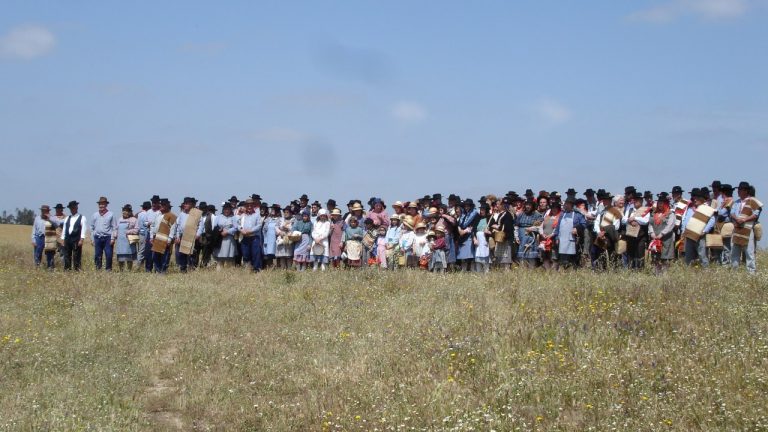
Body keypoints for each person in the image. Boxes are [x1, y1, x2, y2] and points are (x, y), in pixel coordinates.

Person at [730, 181, 762, 274]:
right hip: (737, 228)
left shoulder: (752, 201)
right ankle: (734, 272)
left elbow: (756, 214)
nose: (738, 191)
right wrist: (737, 218)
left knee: (749, 252)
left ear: (745, 191)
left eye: (740, 190)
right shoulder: (736, 202)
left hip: (747, 228)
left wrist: (744, 220)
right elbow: (732, 213)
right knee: (735, 252)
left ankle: (751, 272)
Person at [681, 190, 715, 267]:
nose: (695, 200)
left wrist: (704, 231)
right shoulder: (690, 209)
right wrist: (683, 230)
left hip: (700, 235)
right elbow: (685, 220)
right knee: (688, 255)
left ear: (702, 199)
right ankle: (688, 271)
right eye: (694, 198)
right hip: (689, 235)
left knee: (702, 254)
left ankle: (705, 270)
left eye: (697, 198)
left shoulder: (707, 209)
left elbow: (712, 221)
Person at [554, 198, 587, 270]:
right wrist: (556, 237)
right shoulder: (562, 214)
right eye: (565, 203)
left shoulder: (578, 215)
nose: (565, 205)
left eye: (567, 204)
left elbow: (584, 224)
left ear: (571, 205)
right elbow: (558, 227)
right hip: (562, 240)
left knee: (573, 259)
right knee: (562, 259)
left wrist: (577, 229)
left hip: (573, 240)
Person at [648, 193, 676, 275]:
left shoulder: (670, 214)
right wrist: (652, 233)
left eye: (661, 203)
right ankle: (656, 274)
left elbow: (670, 226)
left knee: (665, 257)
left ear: (666, 204)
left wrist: (662, 234)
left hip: (666, 239)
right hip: (655, 238)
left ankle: (665, 275)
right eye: (659, 203)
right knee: (656, 257)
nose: (659, 205)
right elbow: (650, 224)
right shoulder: (654, 213)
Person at [174, 197, 203, 273]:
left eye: (187, 203)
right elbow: (177, 226)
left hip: (192, 236)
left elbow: (201, 225)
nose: (185, 205)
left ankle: (192, 268)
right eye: (185, 203)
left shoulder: (197, 214)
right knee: (181, 254)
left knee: (192, 253)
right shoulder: (181, 214)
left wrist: (198, 234)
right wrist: (177, 236)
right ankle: (183, 269)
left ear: (191, 205)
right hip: (182, 236)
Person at [622, 192, 650, 270]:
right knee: (631, 254)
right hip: (630, 235)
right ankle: (632, 269)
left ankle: (640, 270)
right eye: (635, 200)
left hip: (641, 236)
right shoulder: (630, 210)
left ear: (641, 201)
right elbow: (623, 220)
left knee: (640, 253)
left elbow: (645, 221)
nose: (636, 201)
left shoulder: (646, 210)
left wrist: (635, 218)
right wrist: (629, 220)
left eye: (638, 200)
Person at [150, 198, 177, 273]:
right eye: (161, 205)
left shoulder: (172, 216)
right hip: (156, 238)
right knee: (155, 256)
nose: (161, 206)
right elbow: (152, 226)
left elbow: (173, 228)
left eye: (163, 205)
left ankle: (163, 271)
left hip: (166, 238)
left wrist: (170, 239)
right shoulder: (157, 214)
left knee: (165, 256)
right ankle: (158, 270)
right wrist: (151, 237)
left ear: (167, 206)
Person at [90, 196, 117, 271]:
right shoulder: (95, 215)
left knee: (109, 254)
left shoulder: (111, 214)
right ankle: (98, 269)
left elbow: (114, 227)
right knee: (97, 255)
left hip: (107, 237)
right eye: (100, 204)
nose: (101, 205)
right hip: (97, 237)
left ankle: (108, 269)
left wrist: (113, 238)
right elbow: (92, 227)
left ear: (106, 205)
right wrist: (92, 239)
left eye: (103, 204)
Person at [31, 204, 62, 269]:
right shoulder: (37, 218)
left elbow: (58, 224)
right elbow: (34, 229)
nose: (44, 212)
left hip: (49, 238)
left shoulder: (53, 218)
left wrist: (49, 218)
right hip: (39, 237)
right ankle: (37, 267)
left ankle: (50, 267)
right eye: (43, 211)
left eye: (46, 211)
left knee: (50, 254)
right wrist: (33, 240)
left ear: (48, 211)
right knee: (38, 253)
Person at [515, 199, 543, 268]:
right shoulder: (521, 214)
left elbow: (540, 227)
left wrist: (532, 229)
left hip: (532, 237)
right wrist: (516, 237)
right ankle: (522, 269)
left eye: (529, 205)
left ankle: (531, 269)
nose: (528, 206)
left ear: (532, 206)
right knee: (522, 255)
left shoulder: (537, 215)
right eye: (526, 205)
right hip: (521, 237)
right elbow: (516, 226)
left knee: (531, 256)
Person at [488, 198, 515, 269]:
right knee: (500, 259)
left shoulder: (508, 214)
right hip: (500, 239)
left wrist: (497, 227)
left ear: (502, 205)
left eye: (498, 204)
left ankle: (507, 274)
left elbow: (506, 227)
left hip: (505, 239)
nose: (496, 206)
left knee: (506, 259)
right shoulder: (501, 214)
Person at [238, 199, 264, 272]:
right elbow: (237, 224)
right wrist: (241, 229)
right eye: (248, 205)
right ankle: (248, 268)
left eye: (251, 205)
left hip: (254, 237)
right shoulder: (242, 215)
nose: (249, 207)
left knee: (256, 254)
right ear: (245, 206)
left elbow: (259, 225)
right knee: (245, 253)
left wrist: (250, 231)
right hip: (245, 237)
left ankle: (257, 269)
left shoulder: (257, 215)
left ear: (253, 206)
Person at [61, 201, 87, 271]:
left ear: (76, 207)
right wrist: (62, 239)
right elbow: (64, 229)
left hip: (76, 239)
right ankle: (67, 269)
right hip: (67, 239)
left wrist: (81, 239)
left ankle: (77, 270)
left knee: (76, 255)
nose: (72, 209)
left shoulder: (82, 217)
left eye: (73, 208)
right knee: (66, 255)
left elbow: (83, 229)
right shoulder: (67, 218)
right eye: (71, 208)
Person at [456, 199, 479, 271]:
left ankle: (472, 270)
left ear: (471, 206)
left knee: (470, 255)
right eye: (465, 206)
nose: (466, 207)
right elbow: (459, 224)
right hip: (462, 237)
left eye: (468, 206)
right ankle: (464, 270)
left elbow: (474, 226)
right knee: (463, 255)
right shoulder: (464, 215)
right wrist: (460, 230)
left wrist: (465, 231)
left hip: (470, 236)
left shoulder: (475, 214)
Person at [214, 202, 238, 268]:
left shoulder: (233, 218)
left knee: (230, 256)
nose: (227, 211)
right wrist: (220, 231)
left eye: (228, 209)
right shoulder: (218, 217)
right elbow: (215, 227)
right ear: (223, 209)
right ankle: (219, 270)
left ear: (230, 210)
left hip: (229, 239)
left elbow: (236, 228)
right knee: (220, 257)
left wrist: (227, 231)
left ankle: (230, 271)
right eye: (225, 209)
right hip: (220, 239)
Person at [115, 204, 139, 271]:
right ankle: (121, 270)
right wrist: (115, 234)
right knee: (120, 258)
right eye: (123, 210)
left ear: (130, 212)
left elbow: (137, 230)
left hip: (129, 242)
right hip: (120, 242)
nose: (124, 212)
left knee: (129, 258)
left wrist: (129, 231)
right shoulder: (119, 219)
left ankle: (129, 270)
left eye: (126, 211)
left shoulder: (134, 220)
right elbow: (116, 228)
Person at [538, 200, 561, 270]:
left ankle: (554, 271)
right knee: (545, 256)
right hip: (544, 239)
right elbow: (541, 227)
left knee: (554, 255)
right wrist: (542, 233)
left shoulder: (560, 217)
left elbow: (558, 228)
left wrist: (552, 234)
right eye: (553, 208)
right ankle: (547, 271)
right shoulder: (547, 216)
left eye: (555, 208)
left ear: (558, 208)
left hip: (553, 239)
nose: (554, 209)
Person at [473, 204, 491, 273]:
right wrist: (474, 239)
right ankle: (478, 271)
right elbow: (473, 230)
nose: (481, 211)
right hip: (478, 240)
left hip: (485, 239)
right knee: (478, 255)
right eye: (481, 210)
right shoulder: (477, 218)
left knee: (485, 254)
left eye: (483, 210)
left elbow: (492, 228)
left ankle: (486, 271)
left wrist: (488, 232)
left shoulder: (489, 218)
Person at [135, 201, 152, 269]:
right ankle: (138, 265)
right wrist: (150, 223)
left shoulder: (139, 214)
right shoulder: (146, 214)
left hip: (140, 233)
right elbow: (146, 224)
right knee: (142, 250)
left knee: (140, 249)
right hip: (145, 233)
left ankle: (140, 264)